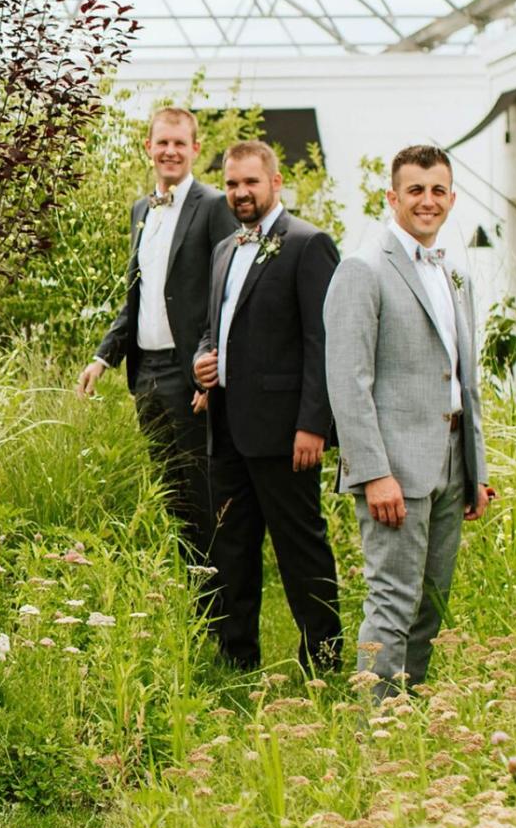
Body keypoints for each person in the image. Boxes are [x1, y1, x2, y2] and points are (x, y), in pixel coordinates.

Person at [324, 144, 492, 696]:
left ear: (452, 198)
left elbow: (464, 378)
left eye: (438, 190)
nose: (428, 201)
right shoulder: (363, 268)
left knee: (430, 600)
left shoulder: (451, 272)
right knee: (393, 601)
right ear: (392, 196)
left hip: (449, 463)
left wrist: (476, 468)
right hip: (394, 468)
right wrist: (374, 473)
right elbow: (349, 384)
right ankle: (375, 732)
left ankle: (408, 716)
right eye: (415, 190)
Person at [193, 140, 342, 672]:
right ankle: (237, 659)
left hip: (286, 433)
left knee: (300, 549)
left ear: (275, 183)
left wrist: (313, 424)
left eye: (250, 182)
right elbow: (213, 330)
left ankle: (323, 661)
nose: (240, 193)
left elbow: (323, 341)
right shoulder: (224, 249)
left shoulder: (308, 244)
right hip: (227, 425)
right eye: (232, 184)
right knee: (232, 548)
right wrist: (202, 363)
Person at [77, 105, 236, 568]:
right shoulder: (141, 210)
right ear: (148, 147)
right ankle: (192, 603)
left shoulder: (213, 207)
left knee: (203, 494)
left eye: (179, 143)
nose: (170, 151)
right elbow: (137, 292)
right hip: (144, 373)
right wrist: (103, 357)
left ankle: (222, 611)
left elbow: (227, 294)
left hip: (191, 375)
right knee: (171, 495)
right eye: (161, 142)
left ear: (195, 150)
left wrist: (213, 370)